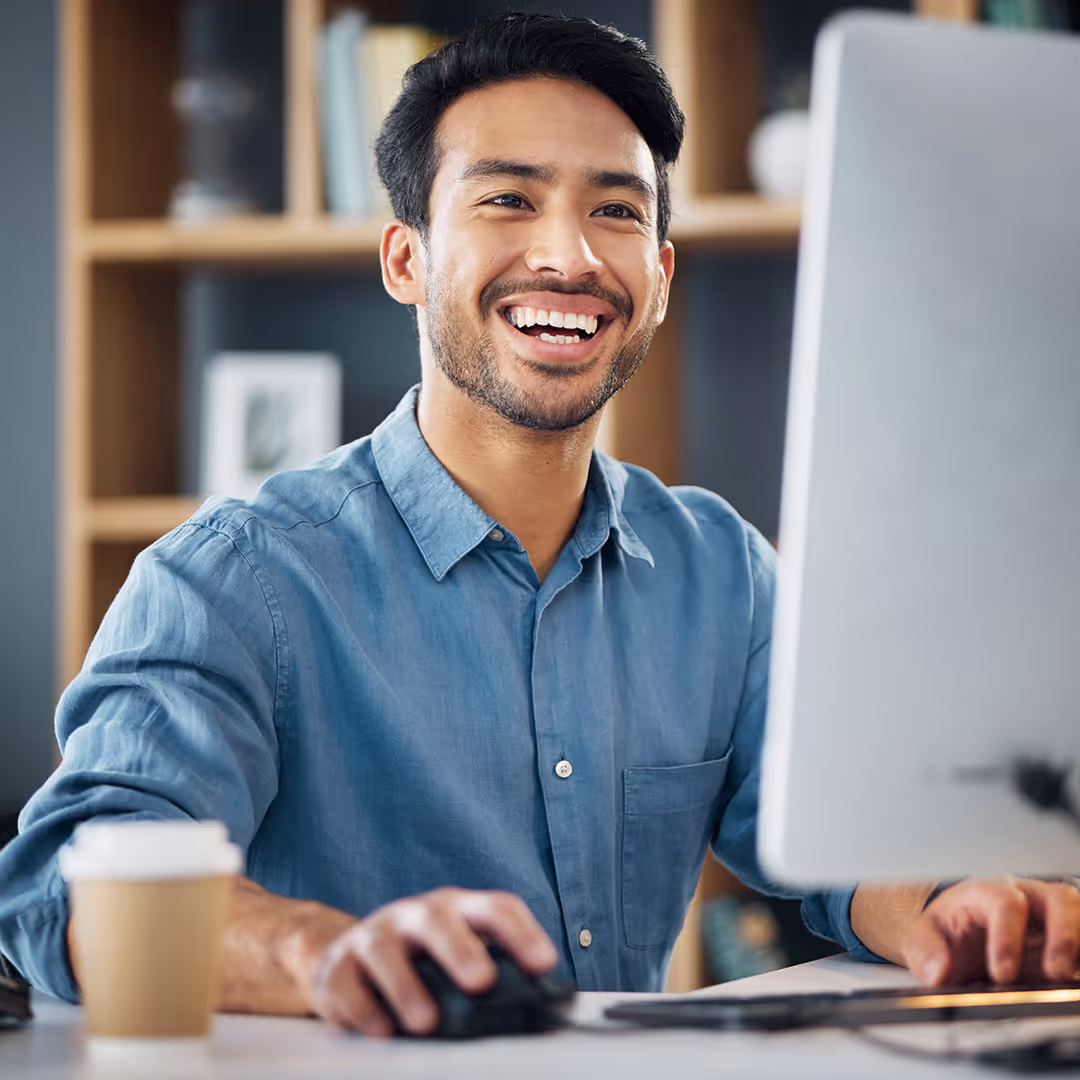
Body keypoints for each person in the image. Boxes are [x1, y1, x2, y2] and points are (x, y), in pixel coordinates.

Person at [1, 13, 1077, 1038]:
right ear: (407, 260)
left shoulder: (722, 575)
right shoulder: (235, 578)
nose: (568, 256)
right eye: (509, 200)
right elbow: (65, 884)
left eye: (616, 210)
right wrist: (319, 954)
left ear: (657, 279)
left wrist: (956, 905)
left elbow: (840, 848)